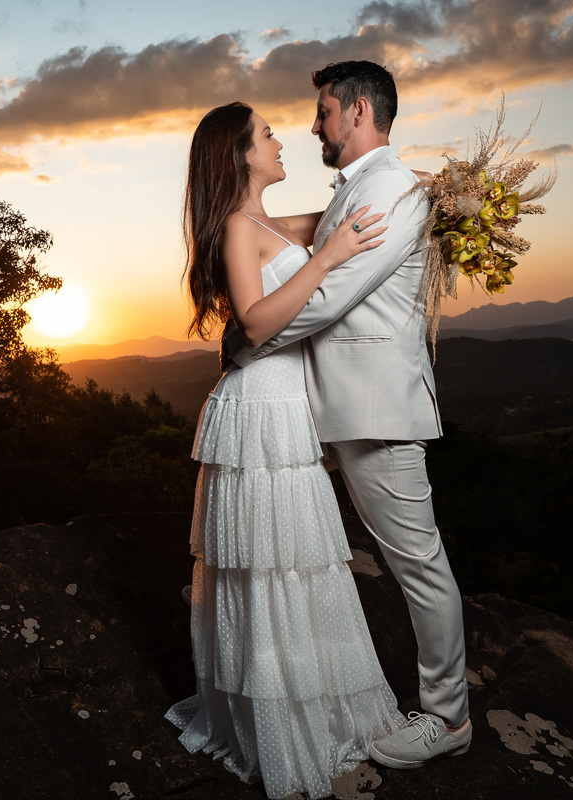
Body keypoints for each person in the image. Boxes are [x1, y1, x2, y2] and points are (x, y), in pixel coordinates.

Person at [223, 60, 472, 770]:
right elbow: (281, 242)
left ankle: (448, 718)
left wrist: (251, 339)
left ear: (358, 111)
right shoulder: (362, 188)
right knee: (405, 559)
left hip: (375, 410)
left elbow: (332, 299)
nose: (313, 126)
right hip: (340, 408)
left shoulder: (388, 187)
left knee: (418, 563)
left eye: (324, 112)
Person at [164, 101, 406, 800]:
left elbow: (348, 212)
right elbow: (259, 322)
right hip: (259, 407)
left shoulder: (272, 221)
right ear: (239, 154)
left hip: (287, 410)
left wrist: (429, 195)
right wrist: (328, 256)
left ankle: (318, 706)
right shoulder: (239, 228)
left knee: (300, 568)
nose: (280, 140)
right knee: (269, 573)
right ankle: (274, 729)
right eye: (266, 134)